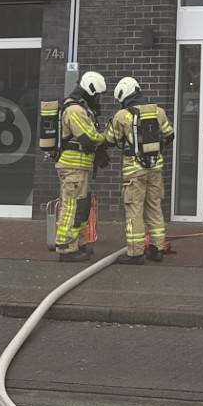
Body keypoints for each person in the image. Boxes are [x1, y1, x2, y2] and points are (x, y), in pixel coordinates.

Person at [107, 77, 175, 265]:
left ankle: (135, 253)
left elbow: (111, 139)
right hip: (155, 168)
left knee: (134, 209)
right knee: (154, 207)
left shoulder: (121, 116)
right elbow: (170, 135)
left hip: (133, 172)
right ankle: (157, 249)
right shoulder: (158, 112)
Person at [53, 71, 108, 261]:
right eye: (97, 95)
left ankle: (76, 244)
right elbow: (88, 136)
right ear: (90, 90)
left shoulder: (82, 109)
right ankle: (66, 248)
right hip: (72, 167)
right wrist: (106, 138)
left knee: (81, 207)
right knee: (72, 207)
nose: (98, 99)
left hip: (80, 167)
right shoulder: (74, 110)